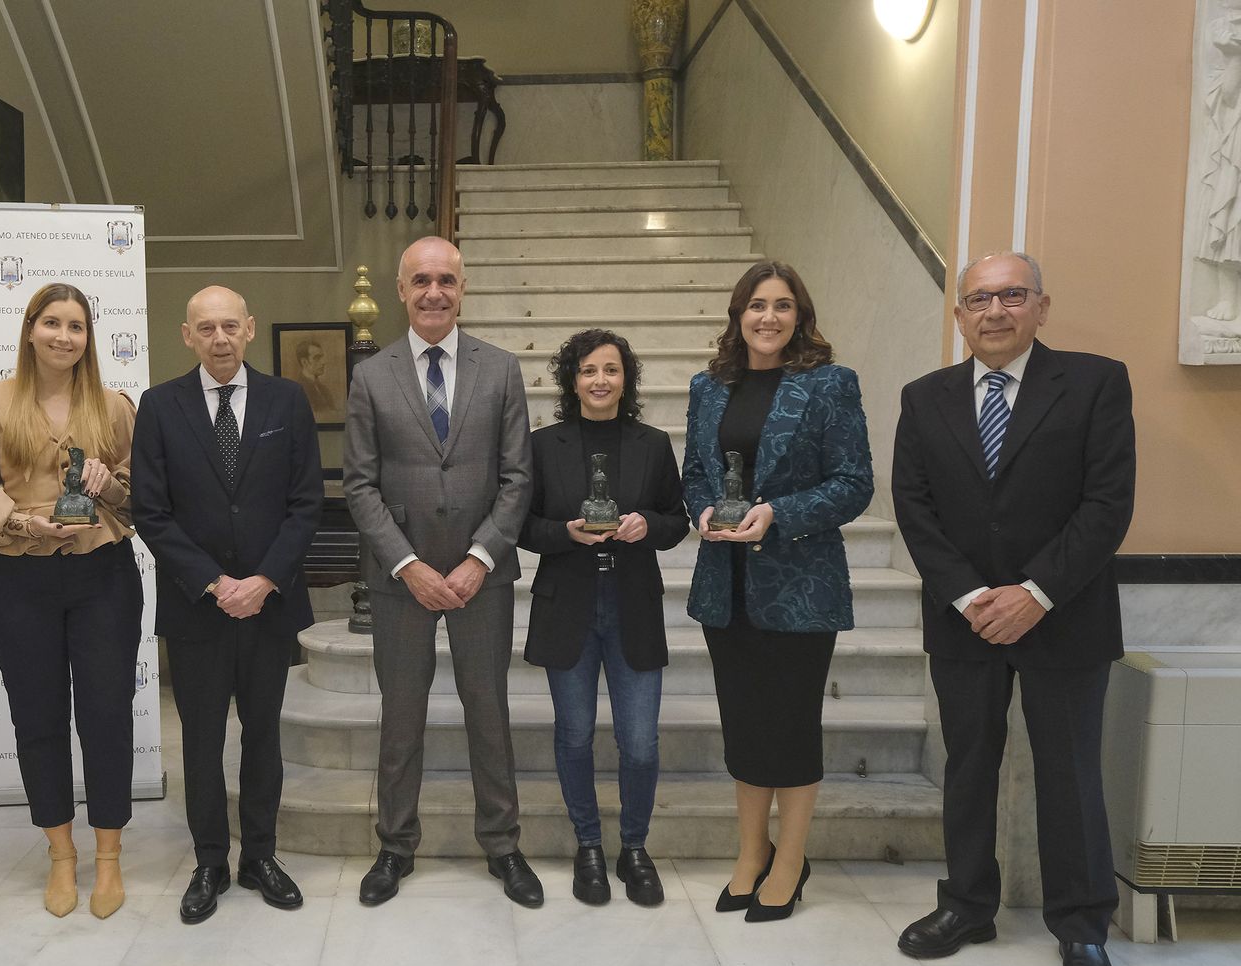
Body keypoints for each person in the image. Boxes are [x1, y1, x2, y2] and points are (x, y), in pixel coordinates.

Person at [892, 251, 1135, 966]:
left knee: (1070, 772)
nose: (994, 311)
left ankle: (1082, 925)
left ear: (1041, 305)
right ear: (959, 314)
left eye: (1011, 295)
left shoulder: (1095, 382)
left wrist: (1034, 592)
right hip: (964, 619)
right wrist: (970, 595)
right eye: (978, 299)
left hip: (1065, 614)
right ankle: (967, 902)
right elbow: (914, 505)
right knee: (969, 766)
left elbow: (1107, 504)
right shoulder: (924, 395)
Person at [343, 235, 540, 908]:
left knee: (490, 711)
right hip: (400, 581)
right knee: (401, 716)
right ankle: (395, 845)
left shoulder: (502, 370)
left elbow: (518, 477)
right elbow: (359, 485)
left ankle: (504, 844)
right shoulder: (371, 376)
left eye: (446, 280)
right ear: (401, 290)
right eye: (421, 280)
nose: (434, 292)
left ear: (463, 288)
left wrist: (481, 556)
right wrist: (408, 565)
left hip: (484, 578)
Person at [682, 260, 873, 923]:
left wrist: (778, 514)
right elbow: (694, 474)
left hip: (799, 586)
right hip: (724, 587)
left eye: (782, 305)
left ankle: (789, 860)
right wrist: (703, 511)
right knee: (742, 722)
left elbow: (854, 482)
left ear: (801, 316)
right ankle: (750, 851)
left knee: (790, 725)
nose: (768, 316)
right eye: (756, 304)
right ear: (739, 315)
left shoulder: (828, 386)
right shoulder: (708, 388)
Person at [131, 286, 322, 924]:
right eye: (206, 328)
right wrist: (216, 584)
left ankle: (260, 855)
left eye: (229, 327)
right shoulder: (159, 406)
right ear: (187, 335)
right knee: (203, 741)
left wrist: (264, 581)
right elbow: (152, 514)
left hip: (270, 606)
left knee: (263, 736)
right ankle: (210, 859)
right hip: (196, 609)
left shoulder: (286, 400)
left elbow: (305, 505)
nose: (219, 338)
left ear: (249, 329)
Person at [0, 282, 140, 920]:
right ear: (30, 329)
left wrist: (109, 485)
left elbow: (143, 501)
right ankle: (62, 853)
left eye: (77, 327)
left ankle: (108, 855)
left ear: (90, 338)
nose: (64, 336)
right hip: (20, 580)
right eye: (52, 323)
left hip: (104, 575)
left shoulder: (113, 406)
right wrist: (28, 524)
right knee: (38, 717)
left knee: (108, 713)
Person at [519, 329, 688, 906]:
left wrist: (649, 525)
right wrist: (562, 534)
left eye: (611, 370)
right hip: (567, 604)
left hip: (633, 603)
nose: (600, 380)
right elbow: (522, 526)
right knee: (574, 735)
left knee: (639, 743)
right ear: (572, 380)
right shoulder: (544, 445)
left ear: (626, 379)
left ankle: (634, 848)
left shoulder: (653, 443)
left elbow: (677, 520)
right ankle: (588, 844)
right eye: (588, 370)